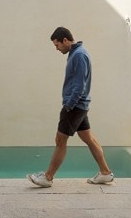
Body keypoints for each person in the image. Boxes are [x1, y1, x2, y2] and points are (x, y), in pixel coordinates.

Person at [27, 26, 114, 187]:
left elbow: (79, 86)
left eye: (57, 45)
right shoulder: (77, 53)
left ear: (65, 40)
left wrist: (69, 105)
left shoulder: (79, 55)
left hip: (75, 106)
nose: (56, 49)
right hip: (81, 105)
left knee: (60, 140)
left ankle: (48, 177)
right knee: (89, 139)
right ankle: (105, 173)